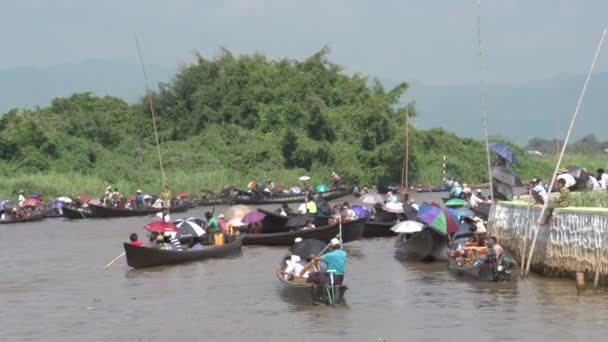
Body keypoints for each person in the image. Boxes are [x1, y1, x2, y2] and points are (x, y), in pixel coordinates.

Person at [308, 238, 347, 304]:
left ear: (331, 247)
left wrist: (313, 256)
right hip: (340, 278)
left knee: (313, 275)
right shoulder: (344, 253)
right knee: (321, 274)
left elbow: (317, 259)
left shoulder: (329, 255)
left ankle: (316, 293)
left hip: (332, 277)